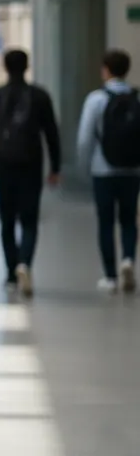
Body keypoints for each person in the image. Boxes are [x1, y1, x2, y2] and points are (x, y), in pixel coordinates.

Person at [0, 49, 61, 296]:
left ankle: (11, 274)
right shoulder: (40, 96)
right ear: (27, 66)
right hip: (32, 163)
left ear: (5, 66)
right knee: (30, 218)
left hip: (3, 163)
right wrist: (55, 167)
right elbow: (51, 134)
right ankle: (25, 263)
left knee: (7, 218)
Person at [76, 49, 140, 293]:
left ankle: (110, 276)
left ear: (105, 70)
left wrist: (85, 167)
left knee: (105, 222)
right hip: (132, 170)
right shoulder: (137, 97)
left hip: (103, 170)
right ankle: (128, 260)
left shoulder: (96, 99)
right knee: (128, 221)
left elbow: (84, 139)